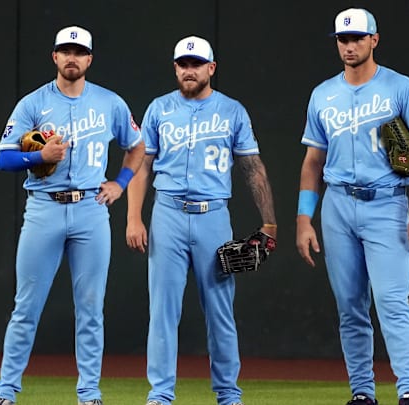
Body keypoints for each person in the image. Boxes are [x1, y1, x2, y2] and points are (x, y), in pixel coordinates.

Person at [0, 25, 145, 405]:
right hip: (44, 208)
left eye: (79, 51)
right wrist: (38, 158)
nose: (72, 57)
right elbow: (4, 157)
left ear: (89, 59)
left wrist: (121, 183)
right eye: (65, 50)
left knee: (91, 308)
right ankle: (6, 392)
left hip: (91, 210)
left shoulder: (110, 103)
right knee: (25, 307)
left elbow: (137, 147)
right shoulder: (32, 104)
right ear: (55, 57)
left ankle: (89, 393)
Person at [295, 8, 409, 405]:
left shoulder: (400, 88)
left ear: (374, 40)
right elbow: (313, 161)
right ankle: (362, 393)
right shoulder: (323, 94)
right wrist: (304, 218)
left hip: (387, 204)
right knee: (350, 307)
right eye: (343, 39)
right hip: (338, 206)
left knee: (392, 302)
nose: (349, 45)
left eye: (358, 38)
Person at [125, 35, 277, 405]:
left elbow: (252, 168)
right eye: (182, 63)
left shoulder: (232, 111)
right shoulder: (159, 109)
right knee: (162, 311)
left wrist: (269, 222)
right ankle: (160, 395)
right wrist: (133, 218)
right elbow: (142, 167)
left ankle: (228, 394)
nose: (188, 70)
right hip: (168, 214)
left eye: (196, 63)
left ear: (211, 68)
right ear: (176, 68)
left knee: (220, 310)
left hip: (213, 216)